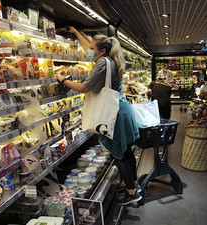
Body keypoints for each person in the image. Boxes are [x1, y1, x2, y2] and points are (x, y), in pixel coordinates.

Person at [55, 26, 142, 205]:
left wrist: (62, 79)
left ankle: (132, 192)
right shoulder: (110, 59)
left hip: (113, 113)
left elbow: (84, 88)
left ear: (101, 51)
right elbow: (87, 45)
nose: (89, 51)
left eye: (93, 50)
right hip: (121, 109)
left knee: (118, 155)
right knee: (125, 152)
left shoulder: (102, 63)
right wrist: (76, 31)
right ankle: (133, 184)